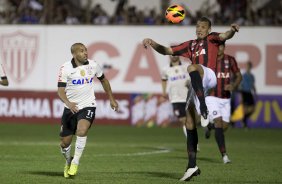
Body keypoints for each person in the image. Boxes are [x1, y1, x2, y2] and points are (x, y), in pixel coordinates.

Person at [143, 17, 239, 181]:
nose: (200, 29)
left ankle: (204, 108)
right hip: (198, 85)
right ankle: (192, 166)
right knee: (188, 122)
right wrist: (153, 44)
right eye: (198, 26)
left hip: (208, 75)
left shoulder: (212, 38)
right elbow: (168, 51)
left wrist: (232, 30)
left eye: (203, 27)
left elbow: (225, 36)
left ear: (209, 29)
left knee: (191, 67)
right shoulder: (190, 45)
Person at [57, 43, 119, 178]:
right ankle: (68, 161)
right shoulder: (66, 68)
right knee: (64, 142)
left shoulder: (93, 65)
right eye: (81, 51)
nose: (85, 53)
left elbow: (104, 80)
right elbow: (60, 90)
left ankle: (75, 162)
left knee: (82, 130)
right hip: (70, 108)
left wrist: (111, 98)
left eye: (86, 50)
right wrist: (68, 103)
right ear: (74, 54)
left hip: (88, 105)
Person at [205, 42, 242, 164]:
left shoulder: (230, 60)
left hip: (226, 98)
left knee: (224, 126)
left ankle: (209, 126)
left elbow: (238, 75)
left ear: (224, 47)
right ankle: (224, 156)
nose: (218, 49)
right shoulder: (208, 60)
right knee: (219, 122)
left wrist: (234, 85)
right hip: (211, 96)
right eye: (216, 47)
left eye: (220, 46)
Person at [239, 61, 256, 129]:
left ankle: (243, 120)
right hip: (244, 93)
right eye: (247, 66)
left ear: (250, 67)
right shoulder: (244, 75)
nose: (248, 67)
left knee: (253, 109)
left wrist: (255, 92)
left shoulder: (252, 76)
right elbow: (240, 86)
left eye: (249, 66)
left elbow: (253, 85)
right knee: (245, 109)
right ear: (246, 67)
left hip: (249, 93)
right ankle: (244, 124)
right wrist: (241, 96)